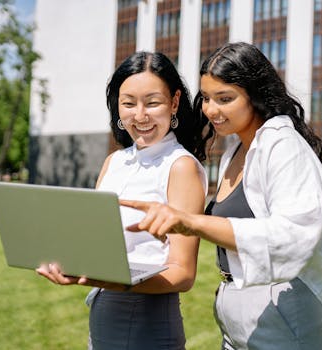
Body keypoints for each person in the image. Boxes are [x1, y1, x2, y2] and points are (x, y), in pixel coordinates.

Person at [121, 42, 322, 350]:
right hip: (236, 309)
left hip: (281, 305)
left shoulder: (282, 145)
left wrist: (192, 223)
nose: (211, 110)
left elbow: (293, 234)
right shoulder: (235, 149)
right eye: (206, 98)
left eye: (225, 98)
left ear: (255, 94)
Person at [36, 51, 210, 350]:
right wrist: (69, 262)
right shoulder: (114, 162)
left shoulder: (180, 166)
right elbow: (95, 240)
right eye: (128, 103)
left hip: (146, 321)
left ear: (175, 102)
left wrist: (111, 281)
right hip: (104, 312)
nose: (139, 116)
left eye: (152, 102)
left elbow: (182, 273)